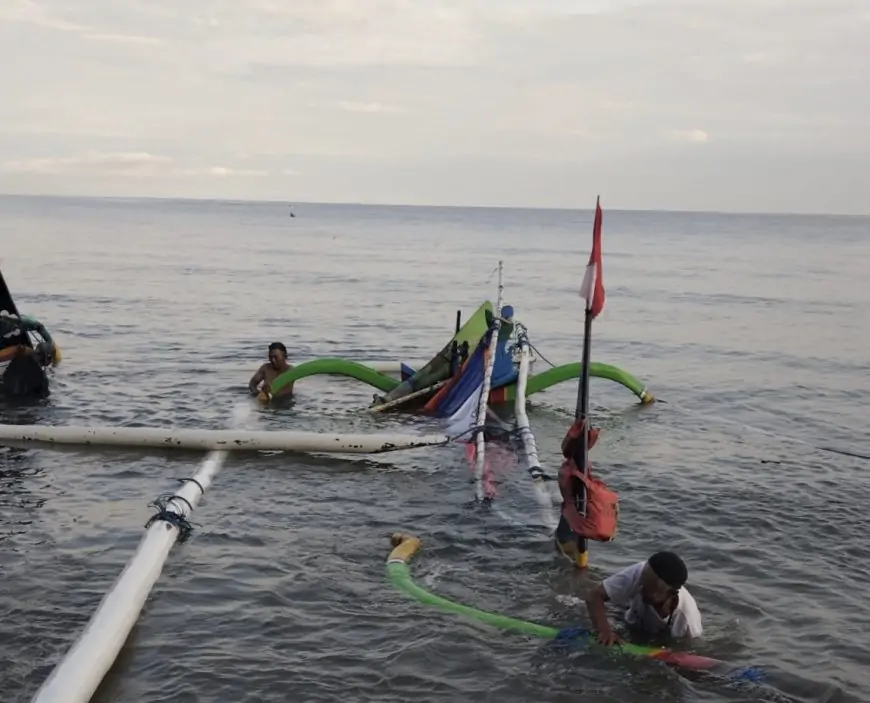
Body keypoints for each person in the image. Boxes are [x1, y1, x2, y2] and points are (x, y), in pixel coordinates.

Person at [585, 551, 703, 645]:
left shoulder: (687, 620)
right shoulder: (639, 573)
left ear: (669, 594)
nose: (640, 590)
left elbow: (690, 650)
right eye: (642, 583)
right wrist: (604, 631)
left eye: (648, 588)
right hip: (630, 620)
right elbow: (594, 595)